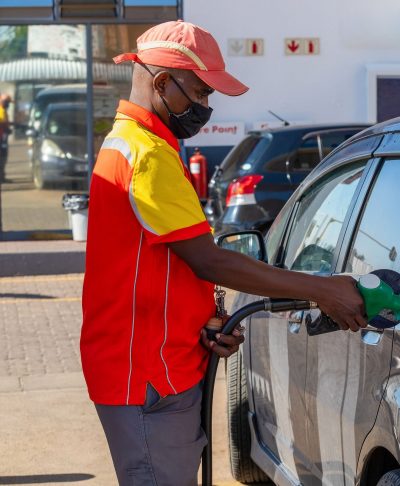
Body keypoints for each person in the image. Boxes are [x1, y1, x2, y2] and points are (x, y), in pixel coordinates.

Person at [80, 20, 367, 486]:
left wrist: (201, 322)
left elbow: (158, 266)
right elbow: (209, 260)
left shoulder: (140, 144)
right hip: (149, 376)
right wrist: (324, 290)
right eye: (199, 92)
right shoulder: (145, 154)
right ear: (161, 83)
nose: (205, 107)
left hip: (159, 366)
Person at [0, 94, 11, 181]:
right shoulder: (1, 111)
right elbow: (2, 123)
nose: (8, 104)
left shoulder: (3, 111)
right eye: (6, 102)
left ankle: (2, 176)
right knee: (3, 156)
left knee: (3, 156)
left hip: (3, 137)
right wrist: (6, 129)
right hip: (1, 138)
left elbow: (5, 122)